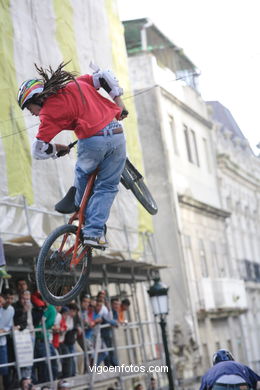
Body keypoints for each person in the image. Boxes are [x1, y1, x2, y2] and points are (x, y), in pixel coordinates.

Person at [17, 62, 128, 249]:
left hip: (92, 142)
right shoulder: (76, 83)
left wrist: (56, 149)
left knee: (83, 177)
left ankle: (80, 211)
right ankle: (94, 233)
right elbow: (104, 76)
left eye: (30, 109)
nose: (34, 114)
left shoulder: (48, 113)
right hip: (117, 135)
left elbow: (38, 150)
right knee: (107, 187)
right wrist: (120, 105)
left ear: (37, 99)